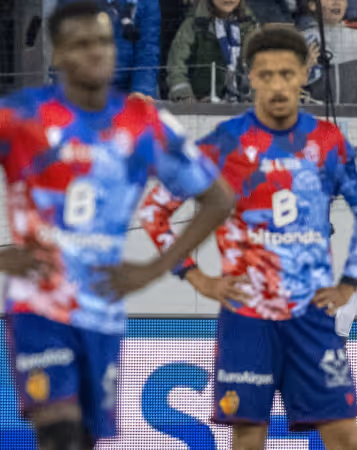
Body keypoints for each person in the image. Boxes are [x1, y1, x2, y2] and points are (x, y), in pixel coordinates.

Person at [0, 2, 234, 449]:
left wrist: (154, 268)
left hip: (102, 310)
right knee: (60, 432)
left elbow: (219, 197)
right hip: (39, 306)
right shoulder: (22, 116)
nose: (96, 52)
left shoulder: (144, 123)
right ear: (58, 54)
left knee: (85, 438)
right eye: (81, 44)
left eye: (104, 42)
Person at [141, 24, 357, 450]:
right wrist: (197, 278)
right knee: (249, 437)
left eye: (286, 74)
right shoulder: (225, 143)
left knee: (346, 437)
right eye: (266, 75)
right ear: (250, 77)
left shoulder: (327, 141)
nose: (277, 85)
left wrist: (350, 282)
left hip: (310, 317)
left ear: (304, 75)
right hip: (247, 318)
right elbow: (154, 210)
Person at [166, 0, 258, 103]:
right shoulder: (194, 25)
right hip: (200, 103)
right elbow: (176, 66)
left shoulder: (251, 26)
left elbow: (259, 67)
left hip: (241, 103)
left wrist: (254, 97)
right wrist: (185, 96)